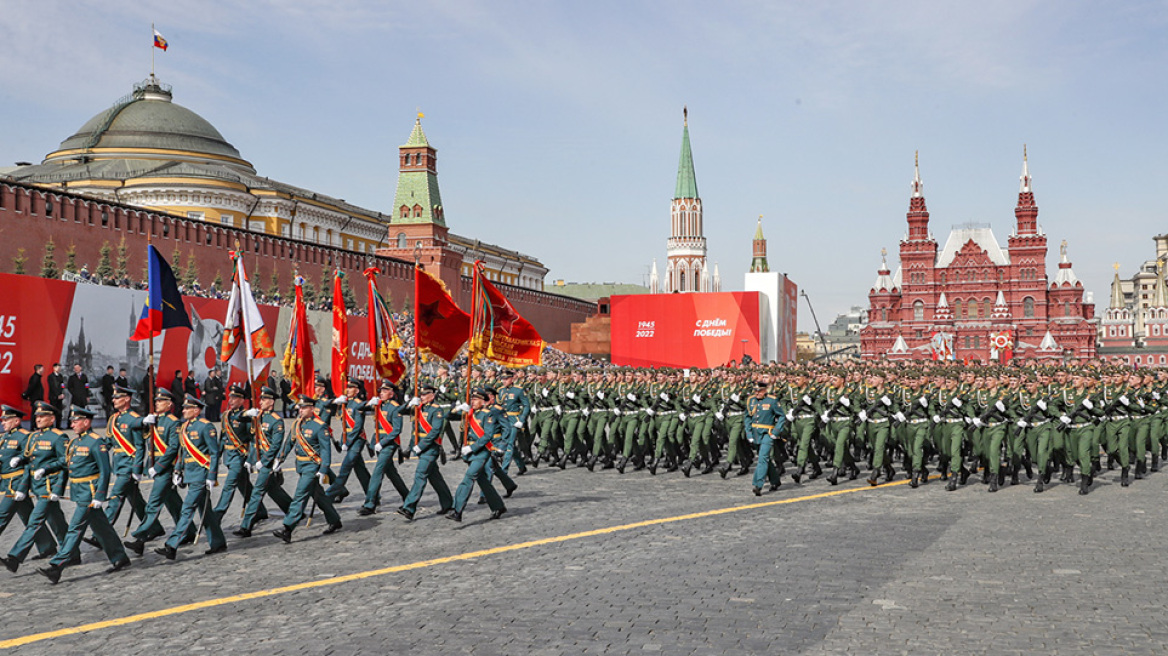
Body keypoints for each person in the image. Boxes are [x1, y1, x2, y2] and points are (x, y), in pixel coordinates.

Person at [35, 406, 132, 584]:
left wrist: (100, 496)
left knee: (75, 528)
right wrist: (45, 468)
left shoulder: (96, 442)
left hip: (89, 493)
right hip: (78, 491)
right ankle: (119, 556)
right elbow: (65, 462)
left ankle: (57, 566)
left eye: (75, 421)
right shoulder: (74, 442)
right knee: (102, 528)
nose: (72, 424)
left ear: (86, 422)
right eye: (71, 421)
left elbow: (105, 471)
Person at [152, 395, 227, 560]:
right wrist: (178, 471)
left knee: (187, 509)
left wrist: (212, 475)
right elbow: (182, 451)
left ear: (196, 410)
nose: (183, 411)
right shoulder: (184, 427)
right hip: (189, 474)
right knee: (205, 511)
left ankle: (172, 545)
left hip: (201, 474)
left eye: (187, 408)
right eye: (183, 408)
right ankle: (218, 541)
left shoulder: (206, 427)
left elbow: (214, 453)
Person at [1, 401, 70, 573]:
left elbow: (64, 463)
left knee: (34, 521)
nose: (37, 419)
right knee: (57, 521)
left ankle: (15, 557)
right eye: (37, 416)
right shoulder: (33, 437)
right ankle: (71, 552)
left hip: (49, 486)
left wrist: (58, 489)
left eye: (42, 416)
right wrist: (21, 465)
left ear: (52, 418)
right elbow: (29, 463)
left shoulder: (59, 437)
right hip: (36, 485)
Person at [123, 388, 188, 555]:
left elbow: (174, 448)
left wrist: (158, 467)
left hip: (165, 468)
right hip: (155, 465)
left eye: (161, 401)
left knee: (153, 503)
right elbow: (146, 439)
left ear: (169, 404)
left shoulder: (173, 422)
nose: (157, 403)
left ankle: (141, 538)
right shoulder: (154, 420)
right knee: (172, 502)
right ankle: (190, 531)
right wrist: (146, 424)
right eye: (156, 401)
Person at [271, 395, 341, 543]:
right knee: (319, 496)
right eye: (300, 408)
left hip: (312, 466)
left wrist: (323, 469)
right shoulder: (297, 424)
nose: (300, 411)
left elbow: (326, 450)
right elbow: (289, 442)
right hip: (300, 465)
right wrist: (279, 459)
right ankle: (334, 520)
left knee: (300, 496)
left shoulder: (320, 426)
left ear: (311, 409)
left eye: (303, 408)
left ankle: (288, 528)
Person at [234, 385, 292, 538]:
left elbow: (275, 444)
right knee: (273, 489)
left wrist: (265, 460)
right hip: (258, 460)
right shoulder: (257, 415)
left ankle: (246, 527)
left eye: (264, 399)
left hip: (267, 463)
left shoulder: (276, 421)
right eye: (260, 399)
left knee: (257, 492)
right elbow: (239, 420)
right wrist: (247, 412)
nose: (260, 402)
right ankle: (293, 510)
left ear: (271, 402)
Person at [447, 389, 507, 522]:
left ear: (483, 401)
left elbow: (487, 436)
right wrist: (457, 408)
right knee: (483, 481)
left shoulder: (488, 415)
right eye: (472, 399)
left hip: (481, 452)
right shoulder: (469, 412)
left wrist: (471, 447)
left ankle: (457, 510)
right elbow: (448, 417)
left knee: (468, 478)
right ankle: (498, 506)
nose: (472, 402)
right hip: (470, 453)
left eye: (476, 399)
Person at [397, 386, 455, 521]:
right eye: (420, 395)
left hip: (430, 448)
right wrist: (409, 403)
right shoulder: (419, 407)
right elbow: (399, 412)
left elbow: (435, 431)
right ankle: (448, 503)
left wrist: (420, 446)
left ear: (432, 395)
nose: (422, 397)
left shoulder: (437, 410)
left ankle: (409, 507)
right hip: (419, 447)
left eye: (424, 394)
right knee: (435, 477)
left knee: (420, 475)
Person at [359, 381, 410, 515]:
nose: (381, 393)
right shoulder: (379, 404)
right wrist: (369, 403)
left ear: (391, 393)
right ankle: (407, 495)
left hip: (388, 444)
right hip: (378, 442)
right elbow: (358, 408)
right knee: (391, 473)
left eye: (384, 391)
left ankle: (370, 503)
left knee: (377, 472)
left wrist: (383, 443)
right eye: (380, 390)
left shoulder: (395, 407)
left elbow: (397, 430)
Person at [324, 379, 372, 504]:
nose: (348, 390)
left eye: (351, 388)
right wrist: (335, 400)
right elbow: (324, 404)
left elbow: (357, 426)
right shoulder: (344, 403)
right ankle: (373, 495)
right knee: (361, 471)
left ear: (356, 390)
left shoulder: (357, 403)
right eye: (347, 387)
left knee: (345, 467)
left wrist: (348, 441)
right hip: (348, 440)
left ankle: (328, 495)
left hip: (357, 439)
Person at [46, 363, 66, 428]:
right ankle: (51, 425)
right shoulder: (50, 377)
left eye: (60, 367)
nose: (59, 369)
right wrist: (57, 395)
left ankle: (58, 426)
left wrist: (62, 393)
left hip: (60, 397)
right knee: (52, 412)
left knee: (59, 412)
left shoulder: (61, 376)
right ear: (54, 368)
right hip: (53, 397)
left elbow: (62, 385)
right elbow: (52, 387)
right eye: (57, 367)